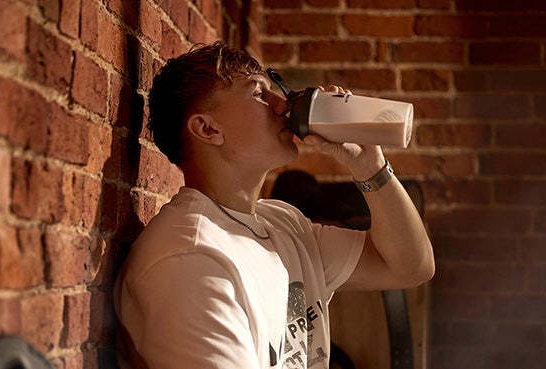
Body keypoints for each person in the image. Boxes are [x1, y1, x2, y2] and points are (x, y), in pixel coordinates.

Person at [114, 41, 434, 369]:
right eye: (258, 93)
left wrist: (369, 166)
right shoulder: (190, 261)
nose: (281, 105)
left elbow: (410, 267)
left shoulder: (282, 224)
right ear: (208, 129)